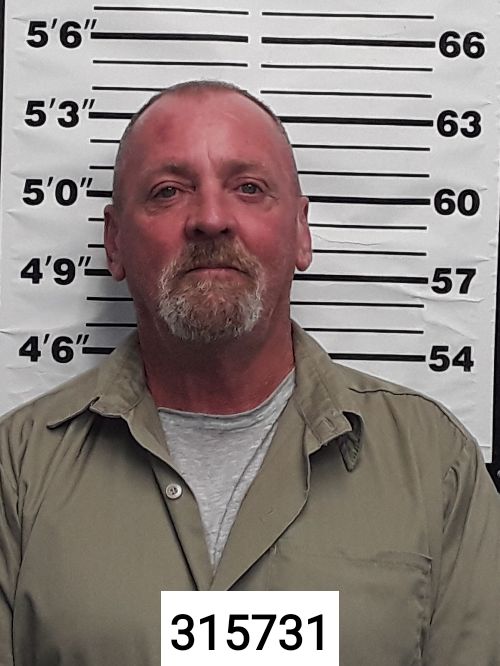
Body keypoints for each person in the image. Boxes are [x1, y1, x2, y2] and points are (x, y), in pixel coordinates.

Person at [0, 80, 499, 666]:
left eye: (249, 188)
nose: (211, 218)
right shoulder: (18, 470)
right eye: (168, 191)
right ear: (114, 243)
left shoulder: (435, 463)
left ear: (302, 233)